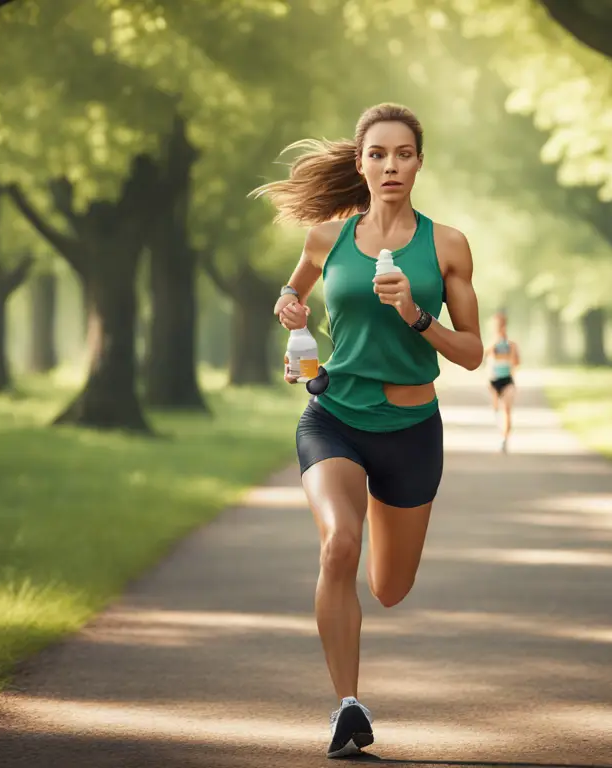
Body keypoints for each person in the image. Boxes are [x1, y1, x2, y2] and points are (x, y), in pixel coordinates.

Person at [250, 102, 483, 759]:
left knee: (389, 588)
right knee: (339, 545)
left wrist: (416, 315)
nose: (390, 166)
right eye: (377, 154)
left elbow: (472, 352)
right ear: (360, 163)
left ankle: (381, 522)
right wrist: (290, 316)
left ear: (419, 163)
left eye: (403, 154)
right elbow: (291, 295)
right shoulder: (327, 238)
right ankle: (347, 705)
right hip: (335, 418)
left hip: (411, 431)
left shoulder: (447, 246)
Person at [485, 310, 521, 453]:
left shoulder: (511, 344)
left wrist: (510, 354)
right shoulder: (492, 344)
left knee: (507, 410)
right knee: (496, 410)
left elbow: (516, 363)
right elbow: (484, 358)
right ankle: (500, 430)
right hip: (493, 381)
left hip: (507, 381)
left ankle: (504, 439)